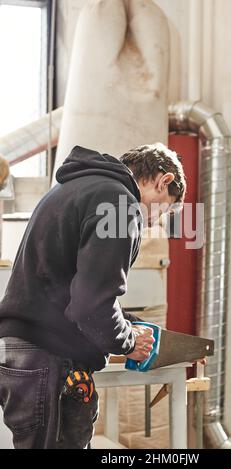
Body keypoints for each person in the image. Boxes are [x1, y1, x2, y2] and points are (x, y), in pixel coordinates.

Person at [0, 143, 186, 449]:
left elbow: (71, 291)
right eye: (167, 208)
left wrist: (128, 323)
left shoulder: (74, 188)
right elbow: (90, 308)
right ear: (163, 181)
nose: (157, 221)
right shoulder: (119, 203)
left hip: (21, 352)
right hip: (48, 359)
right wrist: (127, 342)